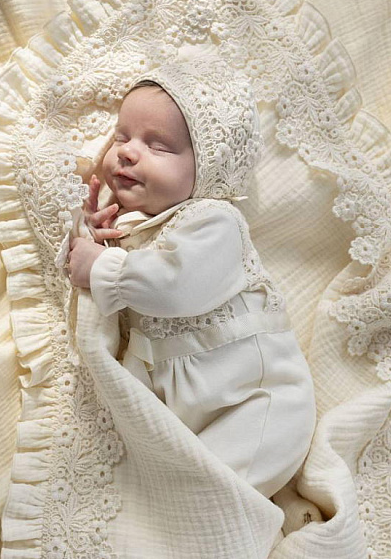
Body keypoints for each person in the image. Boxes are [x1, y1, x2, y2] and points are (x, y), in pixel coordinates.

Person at [66, 56, 317, 499]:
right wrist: (88, 231)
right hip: (178, 405)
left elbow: (174, 285)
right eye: (122, 136)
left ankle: (253, 517)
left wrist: (100, 266)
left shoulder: (215, 221)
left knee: (213, 495)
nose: (127, 151)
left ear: (207, 167)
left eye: (158, 146)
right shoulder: (132, 225)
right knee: (166, 493)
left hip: (255, 401)